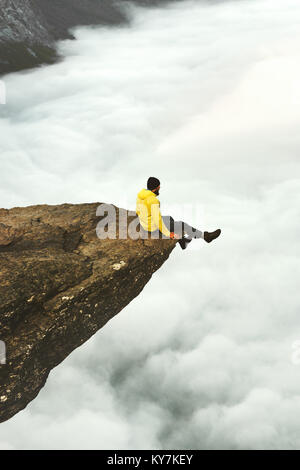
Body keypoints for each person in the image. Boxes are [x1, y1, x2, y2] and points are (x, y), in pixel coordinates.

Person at [136, 177, 221, 250]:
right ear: (156, 188)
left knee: (169, 218)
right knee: (182, 225)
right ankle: (206, 237)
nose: (160, 188)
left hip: (145, 223)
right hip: (152, 228)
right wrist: (169, 234)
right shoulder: (153, 200)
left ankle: (183, 242)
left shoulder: (141, 195)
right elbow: (158, 221)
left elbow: (137, 211)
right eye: (159, 187)